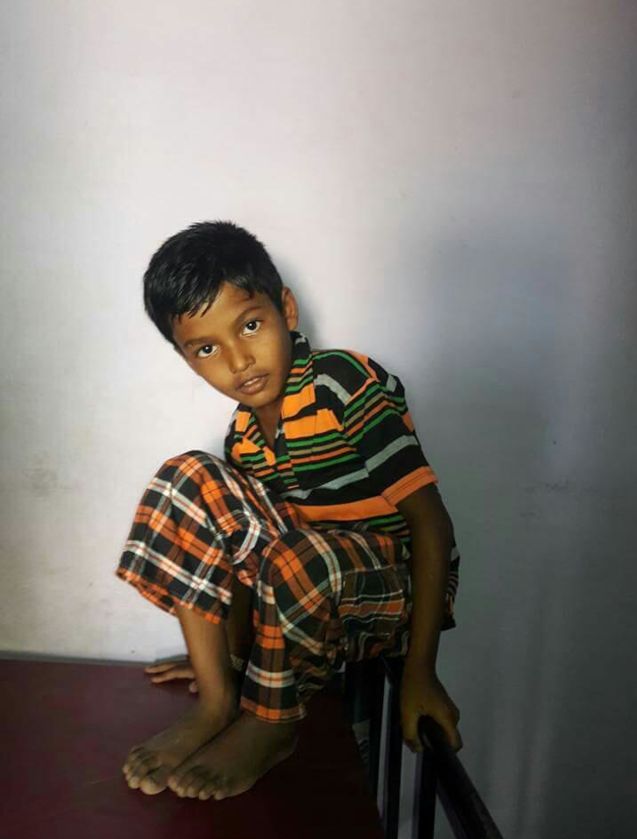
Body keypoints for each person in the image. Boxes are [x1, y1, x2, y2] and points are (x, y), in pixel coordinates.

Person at [117, 221, 462, 801]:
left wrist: (420, 671)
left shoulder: (343, 384)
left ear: (287, 311)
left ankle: (273, 726)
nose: (238, 360)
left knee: (300, 551)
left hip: (392, 590)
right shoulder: (245, 434)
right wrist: (226, 658)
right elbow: (245, 556)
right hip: (308, 584)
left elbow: (431, 524)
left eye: (250, 325)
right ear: (187, 360)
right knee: (187, 476)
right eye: (207, 348)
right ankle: (219, 702)